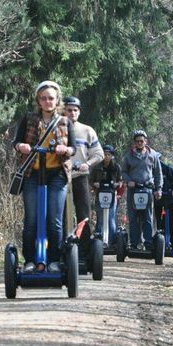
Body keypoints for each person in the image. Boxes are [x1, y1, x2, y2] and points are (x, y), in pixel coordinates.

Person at [11, 81, 75, 273]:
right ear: (38, 101)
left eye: (51, 98)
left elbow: (74, 149)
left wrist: (66, 149)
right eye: (43, 98)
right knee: (31, 219)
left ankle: (55, 260)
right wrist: (20, 146)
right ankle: (30, 261)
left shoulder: (65, 122)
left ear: (57, 101)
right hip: (33, 173)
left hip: (57, 175)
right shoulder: (29, 119)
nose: (47, 101)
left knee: (54, 220)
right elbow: (16, 141)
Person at [63, 96, 103, 247]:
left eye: (75, 110)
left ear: (79, 112)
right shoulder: (56, 129)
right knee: (59, 214)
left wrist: (88, 164)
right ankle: (59, 249)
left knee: (84, 214)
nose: (72, 113)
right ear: (63, 111)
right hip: (60, 177)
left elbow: (99, 154)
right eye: (69, 110)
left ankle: (85, 250)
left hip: (80, 177)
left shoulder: (87, 130)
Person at [121, 130, 162, 250]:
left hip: (147, 189)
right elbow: (124, 172)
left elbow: (157, 173)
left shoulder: (152, 155)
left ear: (146, 141)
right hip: (133, 190)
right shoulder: (129, 156)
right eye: (137, 141)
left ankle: (148, 242)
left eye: (141, 141)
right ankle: (134, 243)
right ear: (134, 142)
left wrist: (158, 188)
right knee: (133, 217)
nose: (139, 143)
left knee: (147, 217)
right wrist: (129, 181)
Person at [90, 144, 122, 240]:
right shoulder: (97, 167)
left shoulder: (116, 166)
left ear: (112, 155)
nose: (106, 156)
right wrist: (94, 184)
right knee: (100, 217)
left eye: (109, 154)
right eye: (105, 154)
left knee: (111, 217)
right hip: (100, 193)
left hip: (112, 194)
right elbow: (90, 179)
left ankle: (112, 241)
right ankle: (98, 240)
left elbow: (120, 180)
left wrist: (118, 184)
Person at [154, 159, 173, 250]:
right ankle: (159, 241)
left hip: (169, 199)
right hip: (158, 199)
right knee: (159, 220)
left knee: (171, 221)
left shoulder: (167, 169)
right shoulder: (151, 169)